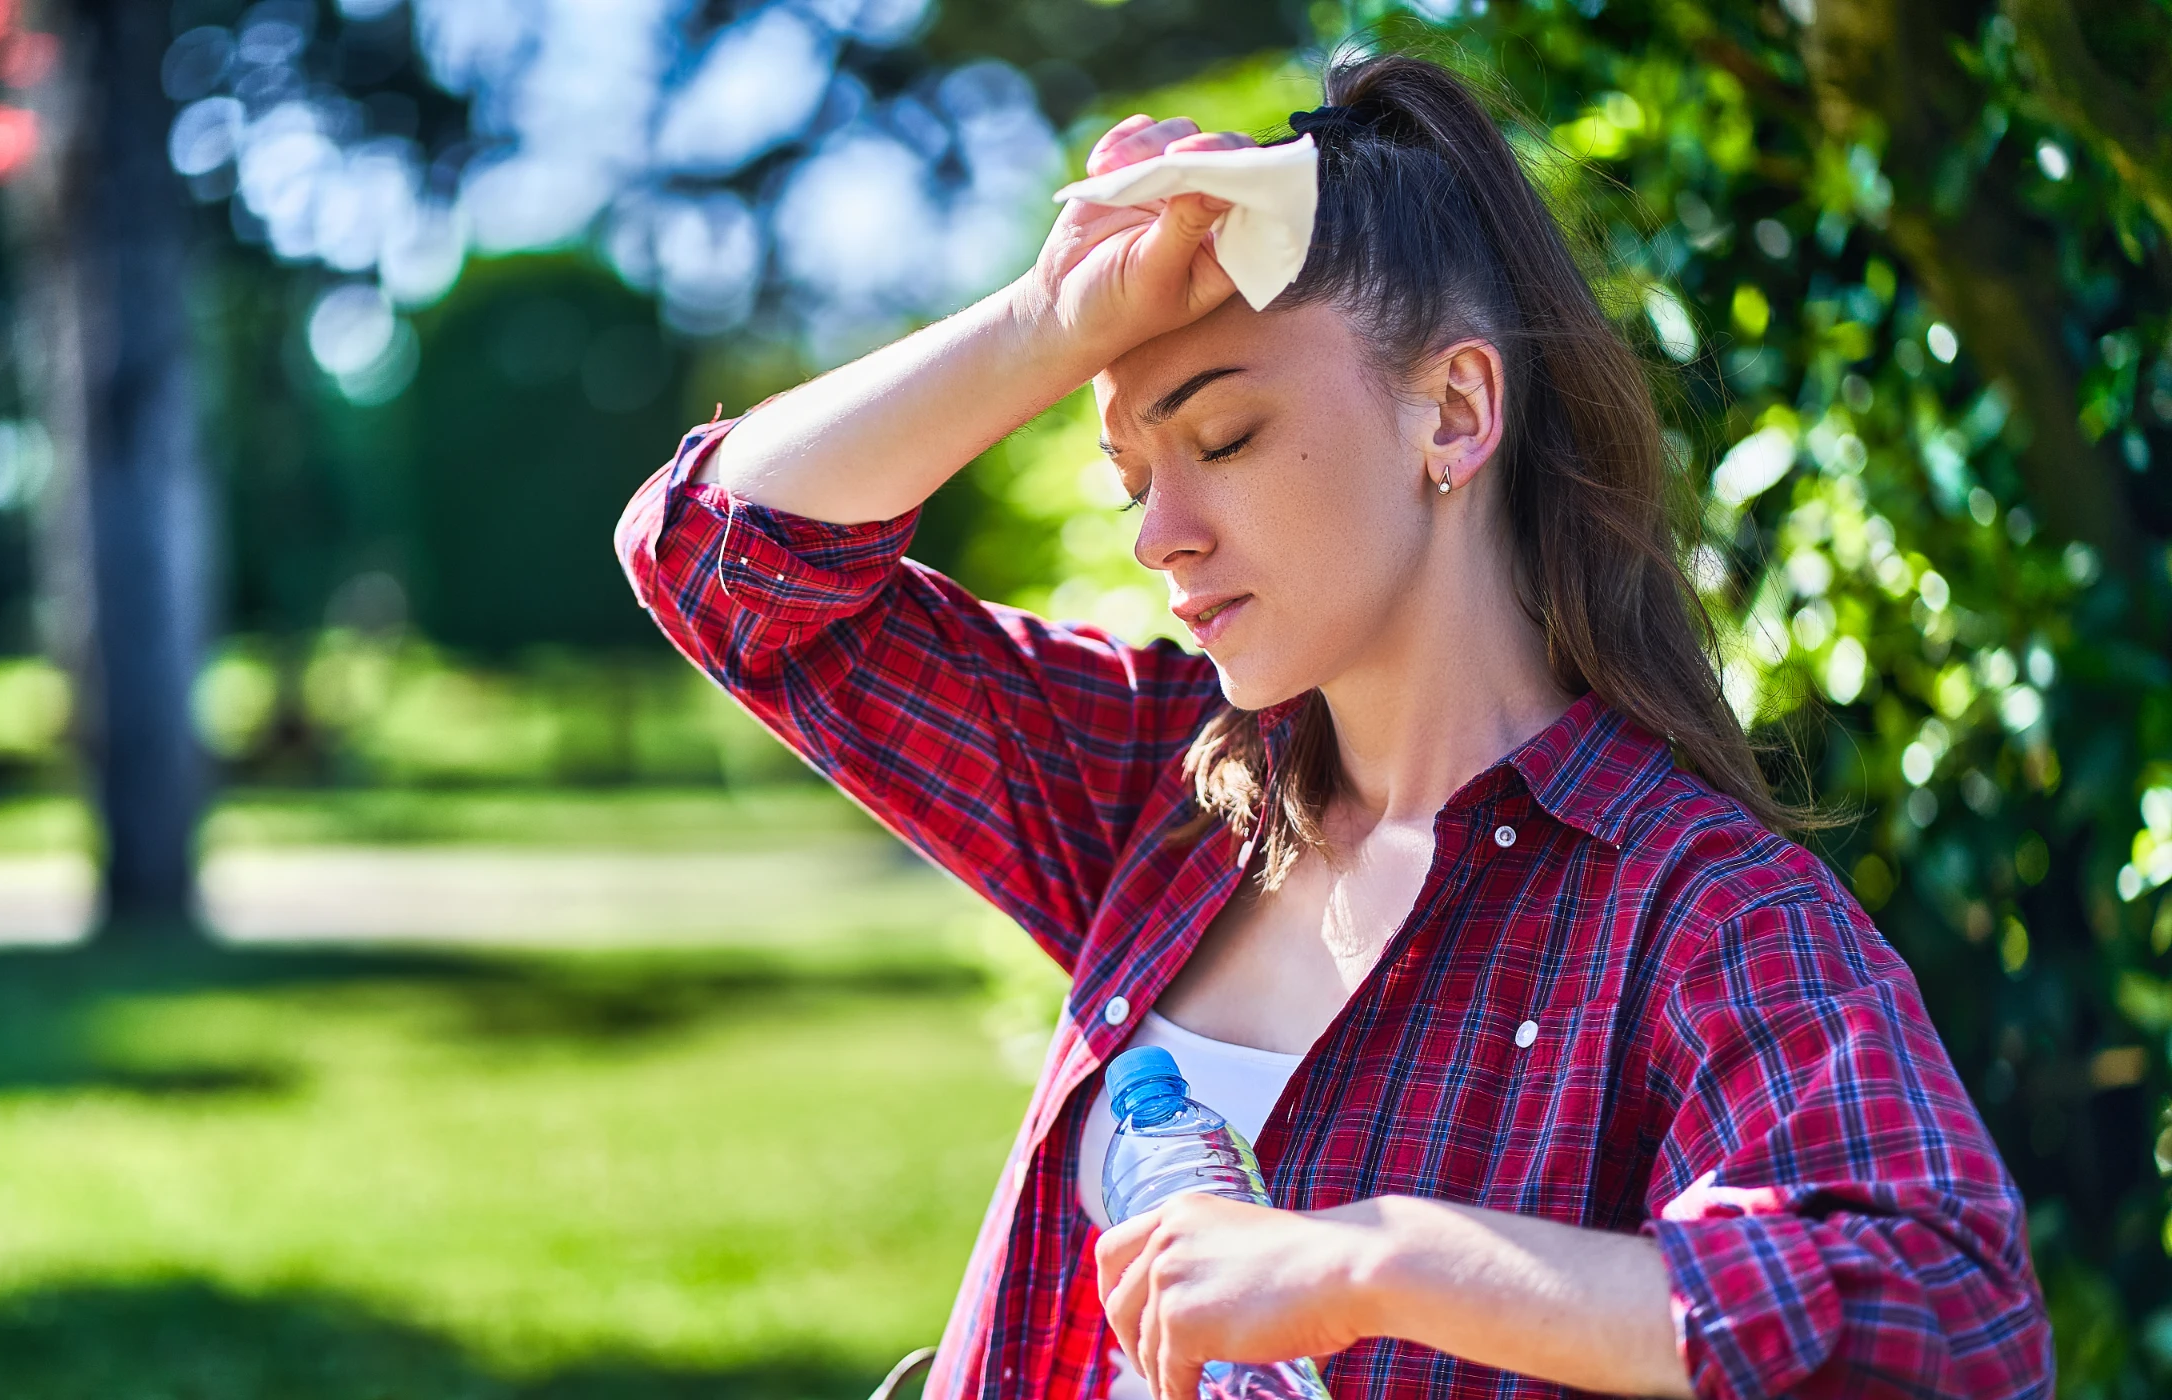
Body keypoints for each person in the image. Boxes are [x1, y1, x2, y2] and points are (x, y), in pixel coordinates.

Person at [614, 45, 2050, 1400]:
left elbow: (1950, 1318)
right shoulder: (1164, 788)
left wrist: (1381, 1259)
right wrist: (1054, 322)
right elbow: (722, 566)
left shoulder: (1696, 914)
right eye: (1130, 478)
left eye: (1222, 438)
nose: (1158, 536)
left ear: (1454, 412)